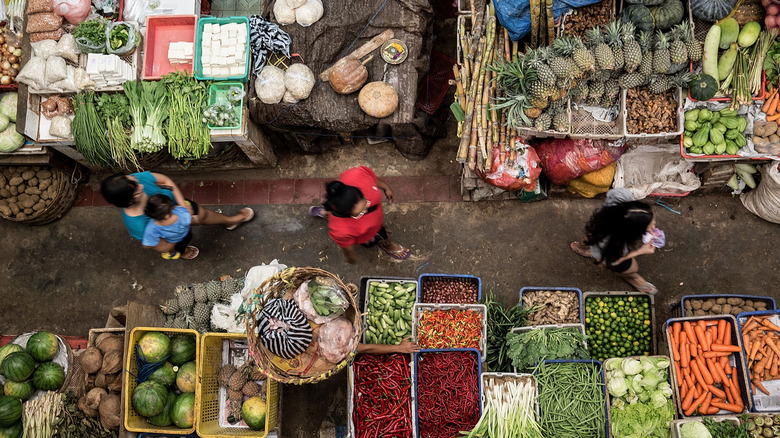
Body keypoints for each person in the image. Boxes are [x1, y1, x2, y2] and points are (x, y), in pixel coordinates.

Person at [101, 172, 254, 258]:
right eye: (136, 190)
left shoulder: (133, 181)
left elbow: (166, 180)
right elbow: (162, 245)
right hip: (175, 234)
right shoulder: (137, 224)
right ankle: (184, 251)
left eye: (135, 181)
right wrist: (179, 227)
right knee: (180, 245)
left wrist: (181, 205)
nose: (140, 184)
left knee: (202, 215)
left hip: (178, 207)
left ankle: (230, 220)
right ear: (129, 200)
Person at [309, 166, 410, 264]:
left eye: (365, 204)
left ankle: (326, 212)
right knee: (381, 236)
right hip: (369, 231)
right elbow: (346, 246)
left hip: (339, 213)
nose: (366, 211)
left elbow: (373, 179)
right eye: (360, 213)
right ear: (346, 214)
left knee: (335, 217)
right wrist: (351, 257)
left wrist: (386, 187)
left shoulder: (356, 175)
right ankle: (387, 245)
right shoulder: (341, 231)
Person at [570, 188, 662, 294]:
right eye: (650, 225)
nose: (654, 225)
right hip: (605, 245)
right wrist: (641, 251)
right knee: (632, 268)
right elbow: (615, 261)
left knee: (590, 238)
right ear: (632, 231)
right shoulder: (614, 244)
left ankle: (581, 248)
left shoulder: (622, 196)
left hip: (598, 225)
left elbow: (612, 193)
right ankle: (632, 278)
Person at [142, 195, 196, 260]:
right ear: (166, 216)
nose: (173, 208)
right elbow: (191, 218)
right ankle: (184, 252)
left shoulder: (152, 227)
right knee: (185, 243)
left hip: (175, 242)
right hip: (186, 234)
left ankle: (175, 252)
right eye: (170, 208)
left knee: (179, 248)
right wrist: (185, 208)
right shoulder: (179, 213)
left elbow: (146, 245)